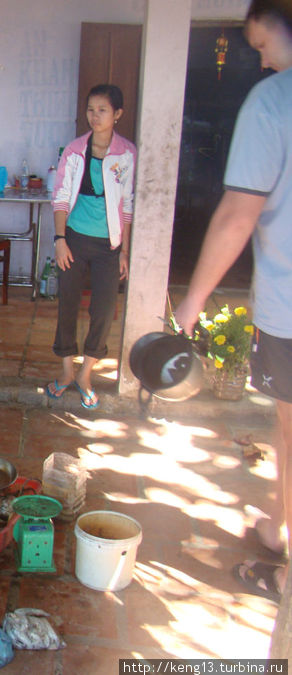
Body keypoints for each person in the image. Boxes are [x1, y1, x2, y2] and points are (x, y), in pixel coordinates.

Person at [174, 0, 292, 603]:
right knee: (285, 421)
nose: (258, 53)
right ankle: (278, 526)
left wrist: (191, 304)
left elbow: (238, 214)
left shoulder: (274, 101)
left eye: (258, 39)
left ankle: (286, 574)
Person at [46, 84, 136, 410]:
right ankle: (67, 372)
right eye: (90, 109)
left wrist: (123, 249)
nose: (95, 116)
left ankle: (86, 375)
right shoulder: (73, 151)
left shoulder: (126, 154)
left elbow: (126, 204)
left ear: (117, 115)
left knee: (103, 311)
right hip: (74, 239)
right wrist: (59, 241)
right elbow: (59, 198)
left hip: (109, 245)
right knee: (67, 305)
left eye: (102, 110)